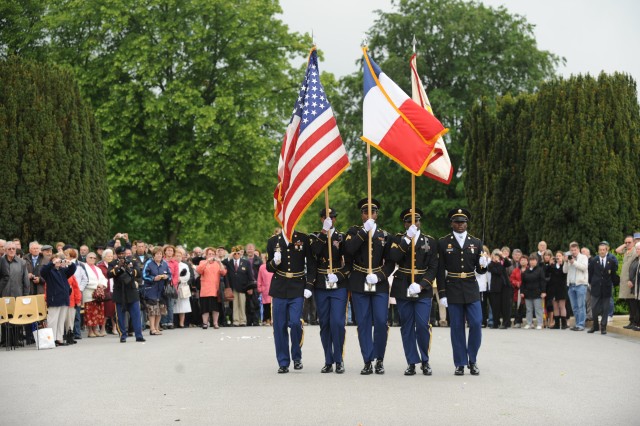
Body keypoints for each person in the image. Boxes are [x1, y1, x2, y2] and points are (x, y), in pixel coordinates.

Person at [344, 198, 395, 375]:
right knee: (363, 322)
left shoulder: (384, 235)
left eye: (372, 212)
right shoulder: (353, 232)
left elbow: (390, 262)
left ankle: (379, 359)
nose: (369, 215)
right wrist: (364, 232)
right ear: (361, 215)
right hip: (359, 281)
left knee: (381, 321)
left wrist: (380, 275)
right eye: (365, 212)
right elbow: (349, 250)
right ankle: (367, 360)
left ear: (377, 214)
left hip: (378, 283)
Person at [436, 208, 488, 376]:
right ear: (452, 223)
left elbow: (480, 271)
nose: (460, 225)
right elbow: (440, 270)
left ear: (467, 223)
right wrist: (442, 293)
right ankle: (460, 362)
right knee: (456, 327)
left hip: (471, 287)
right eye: (457, 222)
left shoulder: (476, 242)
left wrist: (483, 264)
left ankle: (472, 360)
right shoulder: (443, 242)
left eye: (463, 222)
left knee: (476, 323)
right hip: (453, 287)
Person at [388, 207, 438, 376]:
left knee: (423, 325)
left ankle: (425, 360)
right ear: (404, 224)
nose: (413, 223)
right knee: (407, 326)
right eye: (409, 221)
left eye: (416, 220)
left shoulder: (430, 241)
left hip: (422, 289)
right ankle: (411, 361)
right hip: (403, 286)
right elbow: (394, 257)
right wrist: (407, 239)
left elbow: (433, 267)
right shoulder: (398, 239)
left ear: (420, 222)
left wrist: (423, 284)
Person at [266, 229, 314, 374]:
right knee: (279, 327)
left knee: (294, 323)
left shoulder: (303, 238)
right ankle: (283, 362)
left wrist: (309, 285)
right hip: (279, 287)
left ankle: (297, 356)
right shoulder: (273, 241)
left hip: (297, 286)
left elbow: (311, 264)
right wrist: (275, 261)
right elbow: (269, 267)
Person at [309, 207, 349, 374]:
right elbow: (314, 253)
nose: (330, 219)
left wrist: (339, 275)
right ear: (321, 219)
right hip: (321, 284)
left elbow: (348, 262)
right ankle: (328, 359)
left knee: (338, 323)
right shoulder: (314, 237)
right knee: (324, 323)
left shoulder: (342, 237)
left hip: (338, 284)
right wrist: (324, 232)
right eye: (327, 217)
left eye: (332, 217)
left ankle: (339, 359)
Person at [107, 246, 145, 342]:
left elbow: (139, 273)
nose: (121, 256)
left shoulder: (132, 261)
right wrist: (119, 267)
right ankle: (123, 335)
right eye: (119, 254)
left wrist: (129, 269)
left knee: (136, 314)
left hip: (131, 291)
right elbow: (109, 274)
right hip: (119, 292)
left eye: (123, 253)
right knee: (120, 316)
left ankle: (139, 335)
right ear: (116, 254)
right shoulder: (112, 263)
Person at [40, 254, 77, 346]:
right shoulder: (49, 271)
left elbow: (72, 270)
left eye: (59, 260)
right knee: (53, 320)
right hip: (54, 299)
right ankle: (51, 339)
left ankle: (59, 339)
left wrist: (70, 263)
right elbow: (43, 271)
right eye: (56, 260)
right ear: (52, 261)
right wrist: (52, 263)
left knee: (61, 320)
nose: (58, 262)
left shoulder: (63, 271)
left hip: (64, 298)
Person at [587, 241, 618, 335]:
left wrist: (615, 284)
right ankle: (595, 325)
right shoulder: (594, 261)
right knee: (594, 307)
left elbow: (613, 275)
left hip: (606, 288)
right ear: (598, 251)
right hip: (596, 288)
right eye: (600, 250)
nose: (602, 251)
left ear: (606, 250)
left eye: (603, 250)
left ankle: (603, 327)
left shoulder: (611, 261)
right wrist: (592, 283)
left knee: (605, 308)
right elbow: (590, 273)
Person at [195, 247, 227, 329]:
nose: (211, 255)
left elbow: (223, 273)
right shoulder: (202, 262)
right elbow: (199, 271)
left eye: (213, 254)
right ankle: (205, 323)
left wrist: (220, 263)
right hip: (205, 289)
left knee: (215, 308)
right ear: (206, 255)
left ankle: (215, 323)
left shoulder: (218, 263)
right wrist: (206, 262)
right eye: (209, 254)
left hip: (215, 289)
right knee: (205, 308)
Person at [142, 247, 171, 335]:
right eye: (157, 254)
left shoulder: (165, 263)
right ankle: (152, 328)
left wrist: (167, 277)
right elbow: (144, 275)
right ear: (153, 255)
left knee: (160, 310)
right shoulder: (149, 263)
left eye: (160, 254)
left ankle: (157, 327)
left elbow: (170, 275)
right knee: (152, 310)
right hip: (151, 290)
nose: (159, 256)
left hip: (162, 291)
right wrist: (153, 278)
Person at [227, 245, 256, 327]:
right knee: (235, 304)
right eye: (235, 253)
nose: (236, 255)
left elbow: (250, 275)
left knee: (242, 304)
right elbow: (224, 263)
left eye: (238, 253)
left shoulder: (246, 262)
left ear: (241, 254)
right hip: (233, 286)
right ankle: (236, 321)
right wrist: (230, 256)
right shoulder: (230, 262)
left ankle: (243, 320)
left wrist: (250, 287)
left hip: (243, 287)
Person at [563, 242, 589, 331]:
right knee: (574, 307)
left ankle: (581, 325)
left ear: (578, 249)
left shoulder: (583, 257)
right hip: (571, 285)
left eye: (575, 250)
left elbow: (584, 268)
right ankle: (577, 324)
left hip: (580, 284)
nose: (573, 252)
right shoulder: (570, 258)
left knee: (581, 305)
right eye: (572, 250)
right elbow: (564, 271)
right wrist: (566, 262)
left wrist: (574, 262)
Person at [616, 235, 638, 329]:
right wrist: (625, 245)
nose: (627, 244)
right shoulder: (626, 251)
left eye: (629, 242)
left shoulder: (635, 251)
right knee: (629, 302)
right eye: (626, 242)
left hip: (631, 281)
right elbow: (617, 250)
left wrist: (634, 244)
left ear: (634, 243)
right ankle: (631, 321)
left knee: (633, 303)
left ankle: (634, 322)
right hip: (625, 281)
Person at [487, 249, 512, 329]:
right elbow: (498, 271)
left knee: (505, 306)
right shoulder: (490, 265)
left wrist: (503, 258)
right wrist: (498, 263)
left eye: (498, 256)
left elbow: (509, 264)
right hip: (495, 288)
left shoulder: (503, 262)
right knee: (495, 306)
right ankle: (495, 322)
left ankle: (506, 323)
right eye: (495, 256)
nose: (497, 258)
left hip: (505, 287)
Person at [521, 254, 547, 329]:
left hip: (537, 293)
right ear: (529, 262)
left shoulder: (540, 270)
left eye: (534, 260)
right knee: (529, 309)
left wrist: (543, 291)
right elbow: (523, 283)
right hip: (528, 293)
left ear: (536, 261)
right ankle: (529, 323)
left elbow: (543, 281)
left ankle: (540, 323)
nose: (532, 262)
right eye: (531, 260)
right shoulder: (526, 271)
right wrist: (522, 292)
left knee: (538, 309)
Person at [97, 249, 116, 335]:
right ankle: (102, 329)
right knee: (105, 312)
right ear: (104, 257)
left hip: (114, 289)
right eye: (108, 256)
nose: (110, 257)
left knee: (114, 311)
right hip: (106, 291)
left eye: (111, 256)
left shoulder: (115, 265)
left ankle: (115, 328)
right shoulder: (100, 266)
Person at [161, 245, 179, 329]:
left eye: (171, 251)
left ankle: (170, 322)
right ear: (164, 252)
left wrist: (172, 283)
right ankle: (163, 322)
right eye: (168, 250)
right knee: (163, 304)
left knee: (170, 305)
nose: (169, 252)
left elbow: (176, 275)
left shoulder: (175, 263)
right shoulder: (162, 261)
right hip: (161, 284)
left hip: (171, 286)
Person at [173, 248, 192, 328]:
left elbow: (187, 275)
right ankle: (174, 322)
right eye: (176, 256)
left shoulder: (184, 265)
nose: (178, 257)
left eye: (179, 256)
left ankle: (182, 323)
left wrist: (180, 279)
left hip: (183, 286)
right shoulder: (172, 264)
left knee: (183, 305)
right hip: (174, 286)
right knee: (174, 304)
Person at [510, 255, 528, 328]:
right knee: (518, 306)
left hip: (528, 290)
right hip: (518, 291)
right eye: (522, 260)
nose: (523, 261)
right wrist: (516, 283)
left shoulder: (529, 269)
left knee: (529, 307)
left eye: (524, 260)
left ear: (527, 261)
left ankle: (530, 322)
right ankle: (518, 321)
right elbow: (511, 279)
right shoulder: (516, 270)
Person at [626, 242, 640, 331]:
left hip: (637, 286)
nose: (638, 251)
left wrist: (633, 281)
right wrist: (629, 280)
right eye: (637, 249)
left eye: (639, 249)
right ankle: (636, 323)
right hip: (635, 287)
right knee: (636, 306)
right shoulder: (636, 259)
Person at [257, 253, 273, 326]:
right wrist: (259, 287)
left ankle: (274, 320)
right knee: (266, 305)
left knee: (274, 305)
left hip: (274, 288)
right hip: (265, 289)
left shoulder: (275, 267)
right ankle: (267, 319)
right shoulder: (262, 267)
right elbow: (259, 278)